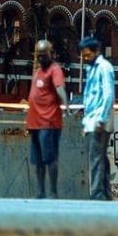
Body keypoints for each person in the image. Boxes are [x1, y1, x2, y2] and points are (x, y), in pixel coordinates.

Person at [26, 39, 68, 199]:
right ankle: (40, 191)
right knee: (38, 160)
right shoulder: (37, 72)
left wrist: (66, 104)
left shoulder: (54, 70)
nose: (42, 58)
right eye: (39, 55)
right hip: (35, 122)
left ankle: (53, 192)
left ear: (51, 54)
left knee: (50, 158)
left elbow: (60, 88)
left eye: (44, 55)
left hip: (49, 121)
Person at [79, 34, 115, 200]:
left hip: (100, 120)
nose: (85, 58)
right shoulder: (91, 68)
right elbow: (89, 96)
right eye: (83, 55)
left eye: (88, 54)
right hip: (92, 120)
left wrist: (101, 118)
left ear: (96, 51)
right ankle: (105, 192)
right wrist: (86, 122)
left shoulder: (104, 67)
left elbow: (108, 94)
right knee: (101, 156)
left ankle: (97, 193)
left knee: (95, 157)